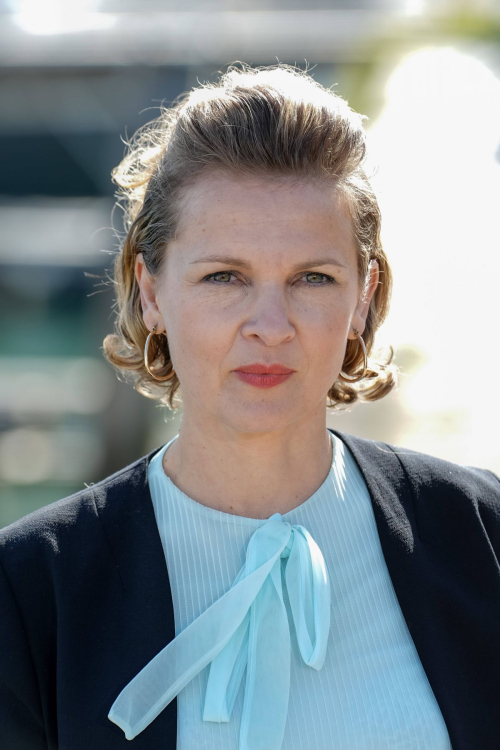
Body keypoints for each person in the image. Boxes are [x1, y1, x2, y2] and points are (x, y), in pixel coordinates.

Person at [1, 62, 499, 750]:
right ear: (151, 293)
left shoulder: (483, 537)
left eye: (313, 278)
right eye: (225, 277)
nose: (270, 323)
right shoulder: (28, 594)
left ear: (362, 297)